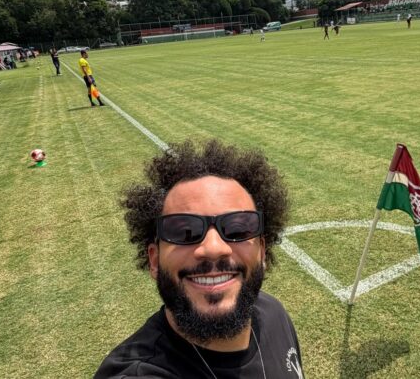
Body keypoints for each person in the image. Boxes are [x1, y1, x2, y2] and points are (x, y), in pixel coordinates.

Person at [94, 140, 304, 379]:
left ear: (262, 251)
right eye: (184, 231)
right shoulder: (137, 373)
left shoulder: (274, 313)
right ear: (154, 260)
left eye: (237, 229)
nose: (213, 248)